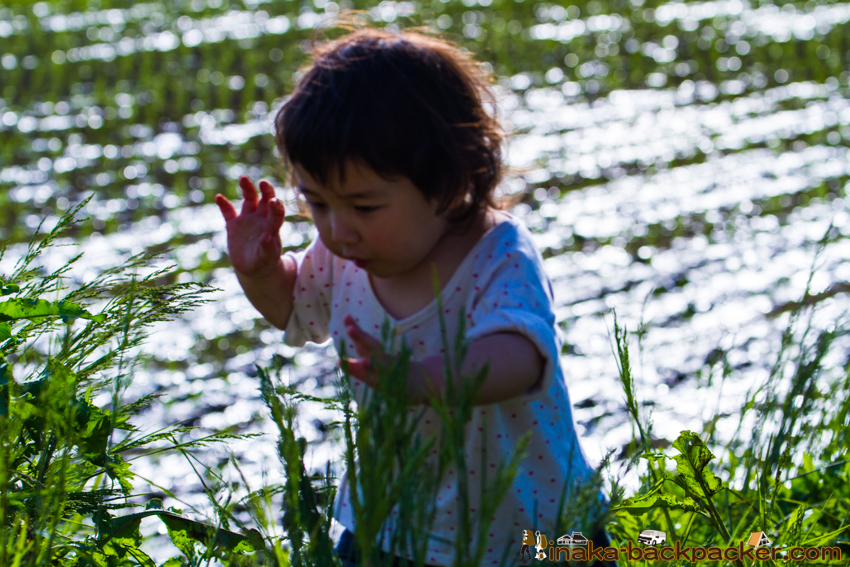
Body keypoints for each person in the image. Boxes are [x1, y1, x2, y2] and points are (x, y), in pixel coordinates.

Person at [215, 27, 609, 567]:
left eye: (364, 207)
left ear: (447, 184)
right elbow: (295, 310)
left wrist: (423, 378)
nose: (337, 229)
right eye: (316, 202)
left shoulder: (498, 255)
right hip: (393, 522)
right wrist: (259, 273)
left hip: (524, 525)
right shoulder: (342, 253)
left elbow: (519, 357)